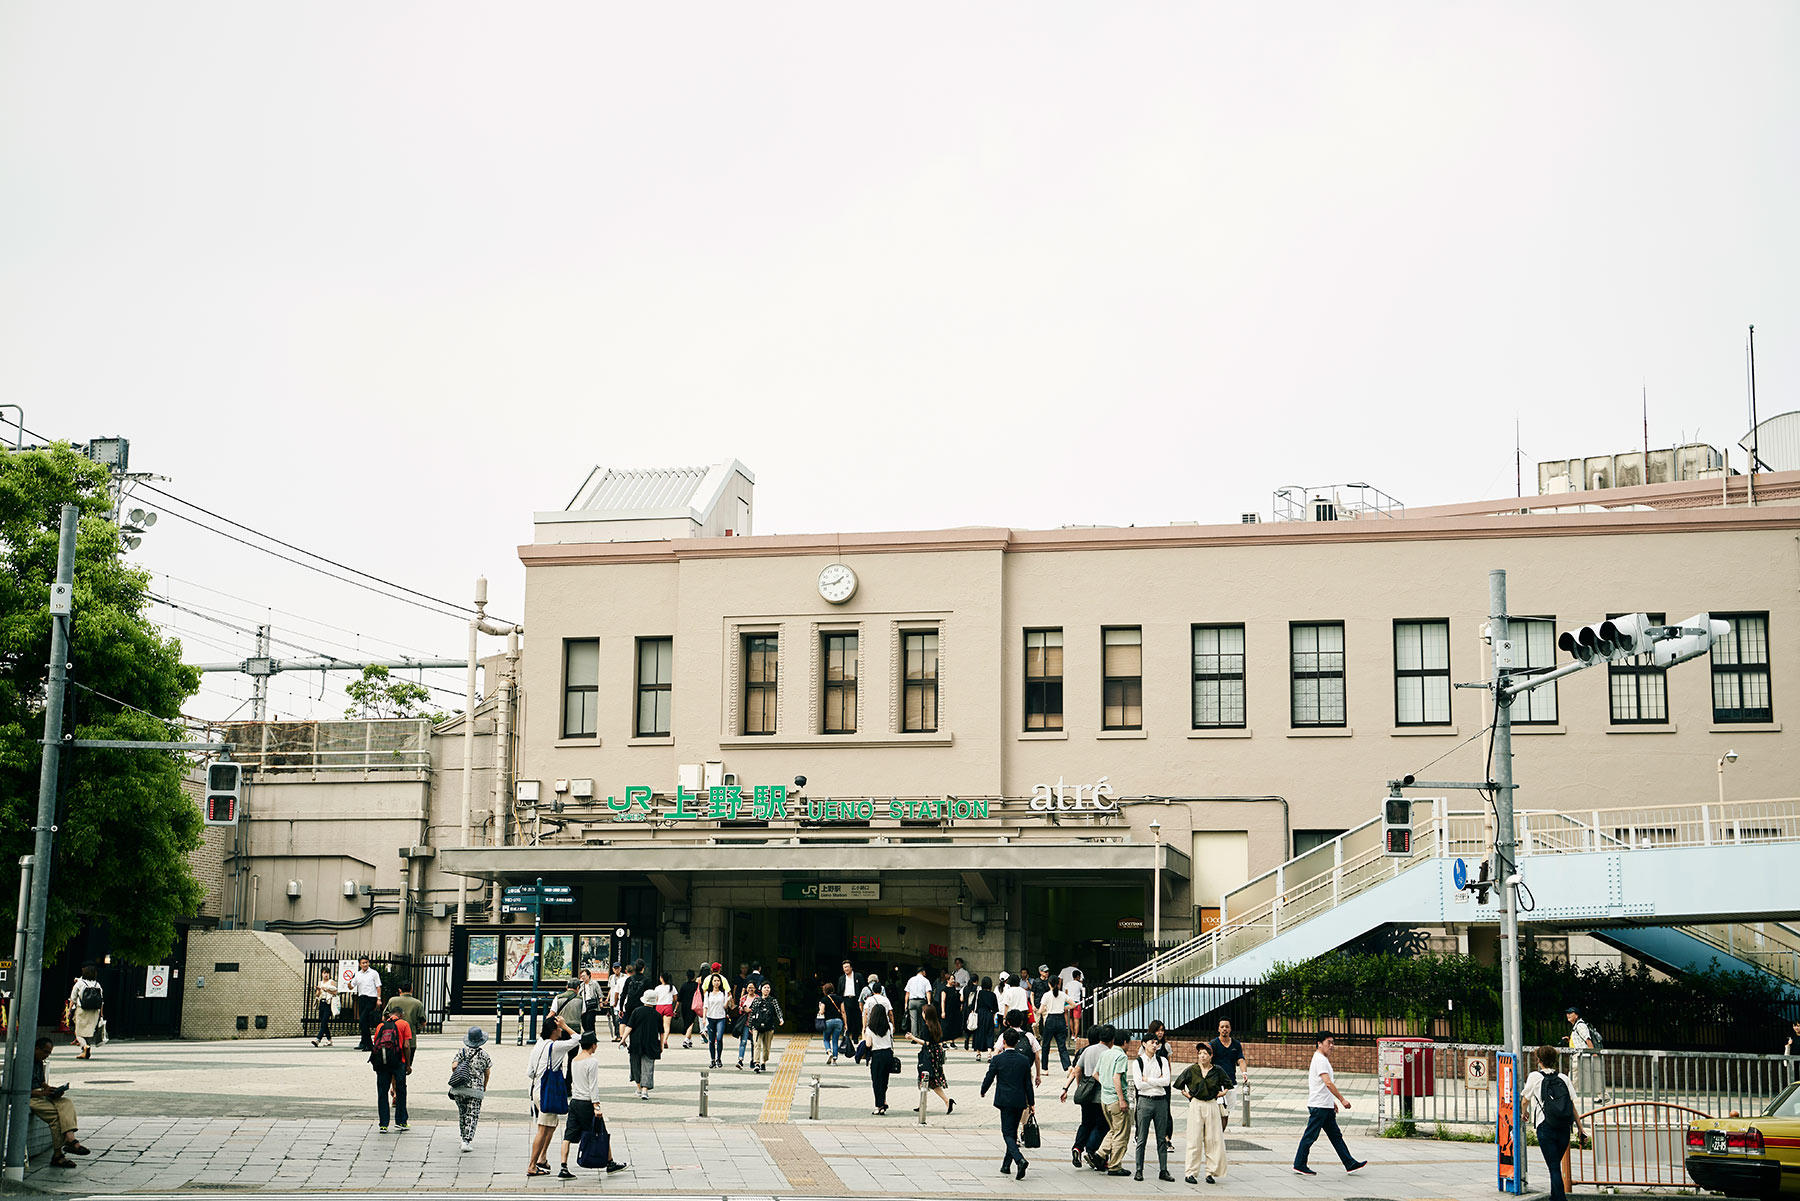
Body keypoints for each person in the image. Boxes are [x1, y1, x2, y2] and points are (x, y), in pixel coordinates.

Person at [1292, 1031, 1366, 1175]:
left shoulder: (1322, 1059)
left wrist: (1331, 1102)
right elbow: (1327, 1083)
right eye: (1328, 1043)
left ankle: (1349, 1163)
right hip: (1319, 1106)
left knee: (1335, 1136)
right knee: (1310, 1136)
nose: (1331, 1046)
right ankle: (1299, 1164)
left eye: (1333, 1042)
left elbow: (1322, 1084)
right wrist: (1341, 1099)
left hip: (1324, 1105)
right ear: (1319, 1044)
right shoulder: (1320, 1059)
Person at [1522, 1045, 1584, 1201]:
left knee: (1554, 1167)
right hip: (1564, 1127)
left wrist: (1524, 1113)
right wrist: (1580, 1128)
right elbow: (1572, 1105)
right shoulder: (1564, 1078)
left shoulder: (1535, 1077)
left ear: (1539, 1060)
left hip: (1545, 1126)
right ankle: (1555, 1197)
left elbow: (1524, 1100)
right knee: (1555, 1165)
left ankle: (1560, 1199)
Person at [525, 1015, 578, 1176]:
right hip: (547, 1093)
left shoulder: (539, 1045)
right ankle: (532, 1165)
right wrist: (566, 1024)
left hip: (536, 1090)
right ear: (554, 1030)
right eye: (560, 1028)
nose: (562, 1030)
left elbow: (530, 1072)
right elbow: (578, 1039)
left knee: (551, 1125)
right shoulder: (556, 1047)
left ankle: (542, 1158)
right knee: (542, 1129)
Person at [981, 1026, 1036, 1179]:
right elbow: (1028, 1084)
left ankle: (1019, 1160)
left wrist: (983, 1090)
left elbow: (989, 1076)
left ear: (1004, 1042)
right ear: (1017, 1042)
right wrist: (1031, 1103)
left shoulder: (998, 1059)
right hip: (1019, 1100)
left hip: (1004, 1100)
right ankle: (1006, 1165)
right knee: (1012, 1132)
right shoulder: (1024, 1060)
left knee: (1007, 1133)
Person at [1174, 1040, 1231, 1184]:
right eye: (1200, 1053)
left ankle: (1210, 1172)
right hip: (1196, 1104)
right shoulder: (1192, 1070)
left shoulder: (1217, 1070)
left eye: (1205, 1053)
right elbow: (1179, 1084)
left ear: (1211, 1056)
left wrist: (1222, 1093)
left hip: (1211, 1105)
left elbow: (1228, 1085)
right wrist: (1187, 1095)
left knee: (1213, 1139)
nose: (1202, 1056)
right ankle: (1190, 1173)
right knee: (1194, 1139)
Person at [28, 1038, 89, 1168]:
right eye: (45, 1052)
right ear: (36, 1049)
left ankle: (70, 1138)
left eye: (49, 1053)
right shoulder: (24, 1062)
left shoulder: (38, 1062)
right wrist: (42, 1093)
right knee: (56, 1118)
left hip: (41, 1094)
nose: (46, 1056)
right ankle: (58, 1155)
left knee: (66, 1102)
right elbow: (20, 1090)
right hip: (29, 1098)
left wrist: (50, 1089)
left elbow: (41, 1082)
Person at [1131, 1021, 1175, 1181]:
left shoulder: (1162, 1060)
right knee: (1141, 1138)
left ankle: (1164, 1170)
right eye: (1152, 1042)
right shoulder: (1138, 1062)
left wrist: (1149, 1079)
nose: (1155, 1045)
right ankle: (1139, 1169)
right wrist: (1157, 1080)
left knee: (1161, 1138)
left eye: (1156, 1043)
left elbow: (1167, 1081)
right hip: (1144, 1101)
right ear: (1144, 1044)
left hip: (1160, 1101)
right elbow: (1138, 1084)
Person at [1062, 1025, 1111, 1170]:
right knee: (1101, 1125)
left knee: (1086, 1123)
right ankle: (1091, 1150)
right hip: (1100, 1095)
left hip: (1086, 1094)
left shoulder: (1086, 1050)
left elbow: (1077, 1070)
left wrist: (1080, 1087)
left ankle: (1077, 1148)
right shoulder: (1108, 1052)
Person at [901, 1003, 955, 1115]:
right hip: (936, 1054)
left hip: (928, 1055)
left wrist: (912, 1038)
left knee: (928, 1080)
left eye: (923, 1012)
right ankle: (924, 1104)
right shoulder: (936, 1024)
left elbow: (927, 1043)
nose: (922, 1014)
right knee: (928, 1080)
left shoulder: (927, 1027)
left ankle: (946, 1101)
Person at [1094, 1022, 1133, 1175]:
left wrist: (1106, 1084)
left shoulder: (1105, 1053)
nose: (1129, 1045)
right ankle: (1115, 1166)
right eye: (1129, 1042)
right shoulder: (1121, 1056)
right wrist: (1122, 1099)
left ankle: (1100, 1154)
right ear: (1124, 1042)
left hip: (1105, 1099)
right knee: (1121, 1134)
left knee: (1114, 1129)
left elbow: (1095, 1073)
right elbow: (1117, 1078)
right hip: (1116, 1100)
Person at [448, 1026, 493, 1152]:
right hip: (475, 1090)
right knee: (472, 1114)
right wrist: (484, 1085)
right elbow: (487, 1072)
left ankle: (463, 1137)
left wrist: (462, 1071)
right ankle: (466, 1141)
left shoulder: (461, 1052)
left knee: (462, 1113)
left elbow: (454, 1066)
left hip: (460, 1088)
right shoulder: (484, 1055)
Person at [368, 1006, 412, 1133]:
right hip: (399, 1062)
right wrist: (408, 1064)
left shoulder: (380, 1025)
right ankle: (401, 1121)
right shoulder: (404, 1024)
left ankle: (383, 1124)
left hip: (382, 1063)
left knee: (382, 1092)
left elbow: (376, 1043)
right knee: (401, 1090)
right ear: (401, 1015)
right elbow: (406, 1045)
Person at [621, 991, 664, 1099]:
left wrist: (623, 1039)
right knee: (648, 1066)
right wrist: (661, 1045)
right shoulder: (657, 1015)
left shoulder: (637, 1011)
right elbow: (661, 1032)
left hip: (636, 1042)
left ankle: (639, 1088)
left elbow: (629, 1027)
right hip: (651, 1043)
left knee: (635, 1065)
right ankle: (645, 1091)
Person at [1207, 1018, 1246, 1131]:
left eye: (1227, 1027)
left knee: (1226, 1112)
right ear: (1218, 1029)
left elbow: (1241, 1060)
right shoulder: (1213, 1044)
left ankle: (1220, 1135)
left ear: (1230, 1029)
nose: (1225, 1029)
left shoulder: (1236, 1044)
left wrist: (1244, 1073)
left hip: (1230, 1082)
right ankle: (1215, 1135)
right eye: (1222, 1027)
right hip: (1216, 1083)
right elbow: (1206, 1060)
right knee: (1218, 1110)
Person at [862, 993, 896, 1115]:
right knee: (884, 1080)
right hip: (888, 1054)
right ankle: (883, 1101)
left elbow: (868, 1044)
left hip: (877, 1056)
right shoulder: (889, 1027)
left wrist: (864, 1035)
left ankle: (878, 1106)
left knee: (876, 1081)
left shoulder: (870, 1028)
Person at [1565, 1005, 1605, 1102]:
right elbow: (1580, 1041)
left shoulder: (1580, 1025)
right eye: (1567, 1013)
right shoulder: (1576, 1026)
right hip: (1582, 1055)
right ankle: (1604, 1096)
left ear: (1577, 1015)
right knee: (1591, 1076)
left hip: (1581, 1055)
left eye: (1571, 1013)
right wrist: (1569, 1040)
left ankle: (1567, 1097)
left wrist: (1594, 1053)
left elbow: (1588, 1040)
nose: (1568, 1015)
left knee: (1573, 1076)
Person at [382, 980, 427, 1065]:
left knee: (392, 1066)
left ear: (399, 990)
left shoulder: (392, 1000)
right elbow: (423, 1022)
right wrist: (418, 1027)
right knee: (406, 1066)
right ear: (411, 989)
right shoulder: (417, 1003)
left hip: (392, 1039)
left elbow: (384, 1017)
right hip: (410, 1040)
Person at [68, 965, 103, 1059]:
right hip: (95, 1011)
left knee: (78, 1033)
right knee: (88, 1032)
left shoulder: (79, 983)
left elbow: (73, 998)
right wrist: (101, 1014)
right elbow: (101, 1001)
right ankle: (85, 1052)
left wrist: (69, 1010)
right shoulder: (97, 984)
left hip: (82, 1010)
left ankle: (85, 1047)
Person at [749, 982, 783, 1071]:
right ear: (761, 989)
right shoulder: (756, 1000)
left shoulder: (773, 1000)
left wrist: (781, 1019)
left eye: (768, 988)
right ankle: (756, 1063)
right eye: (765, 987)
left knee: (766, 1047)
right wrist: (750, 1026)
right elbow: (752, 1013)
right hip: (757, 1026)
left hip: (769, 1027)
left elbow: (778, 1010)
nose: (767, 989)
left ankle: (763, 1061)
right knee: (757, 1045)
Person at [702, 966, 732, 1067]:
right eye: (714, 981)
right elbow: (705, 1006)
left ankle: (719, 1058)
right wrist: (704, 1019)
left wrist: (727, 1000)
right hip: (710, 1017)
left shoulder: (723, 993)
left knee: (719, 1038)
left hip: (721, 1018)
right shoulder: (708, 994)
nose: (716, 982)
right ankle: (712, 1059)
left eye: (718, 981)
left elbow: (725, 1006)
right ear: (712, 982)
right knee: (711, 1040)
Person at [1039, 978, 1071, 1071]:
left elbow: (1041, 1010)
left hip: (1050, 1020)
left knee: (1045, 1045)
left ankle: (1045, 1069)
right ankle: (1068, 1066)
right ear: (1058, 984)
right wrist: (1065, 1008)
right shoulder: (1063, 994)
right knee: (1062, 1045)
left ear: (1049, 984)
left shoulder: (1046, 995)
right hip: (1061, 1019)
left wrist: (1045, 1009)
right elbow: (1073, 1004)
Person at [351, 957, 382, 1050]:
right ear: (360, 964)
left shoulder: (374, 973)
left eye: (366, 962)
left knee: (362, 1020)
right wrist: (348, 983)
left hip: (371, 998)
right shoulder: (357, 974)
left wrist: (378, 999)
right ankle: (364, 1042)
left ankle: (369, 1044)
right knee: (364, 1021)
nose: (365, 964)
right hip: (362, 999)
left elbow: (378, 987)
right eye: (363, 963)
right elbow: (351, 986)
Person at [836, 960, 861, 1055]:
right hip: (845, 1000)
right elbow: (839, 991)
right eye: (844, 968)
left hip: (856, 999)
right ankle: (846, 1036)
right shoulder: (841, 978)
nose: (845, 969)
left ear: (851, 967)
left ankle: (855, 1037)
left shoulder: (858, 976)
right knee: (846, 1019)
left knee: (856, 1018)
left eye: (847, 967)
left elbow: (862, 987)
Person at [820, 982, 847, 1066]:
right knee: (835, 1040)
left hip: (828, 1021)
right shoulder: (840, 999)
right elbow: (843, 1011)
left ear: (825, 991)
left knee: (826, 1039)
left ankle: (828, 1051)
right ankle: (834, 1060)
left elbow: (822, 1011)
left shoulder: (824, 1000)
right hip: (838, 1021)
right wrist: (845, 1023)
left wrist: (819, 1008)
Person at [973, 976, 1000, 1060]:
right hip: (989, 1014)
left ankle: (978, 1053)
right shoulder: (993, 995)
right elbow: (996, 1008)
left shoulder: (979, 993)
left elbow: (975, 1005)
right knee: (989, 1033)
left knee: (979, 1033)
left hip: (980, 1015)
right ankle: (989, 1054)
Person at [734, 982, 760, 1069]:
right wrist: (743, 1009)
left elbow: (759, 1011)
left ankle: (753, 1060)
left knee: (754, 1042)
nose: (750, 989)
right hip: (745, 1023)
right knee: (743, 1041)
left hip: (754, 1023)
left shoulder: (758, 998)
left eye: (752, 988)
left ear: (755, 989)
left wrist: (750, 1010)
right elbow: (739, 1010)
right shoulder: (743, 998)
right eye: (749, 987)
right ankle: (740, 1060)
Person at [311, 969, 339, 1047]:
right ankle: (329, 1040)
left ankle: (318, 1039)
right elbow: (317, 995)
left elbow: (335, 992)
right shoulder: (320, 983)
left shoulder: (331, 982)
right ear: (322, 974)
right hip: (321, 1003)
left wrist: (326, 989)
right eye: (324, 973)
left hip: (329, 1003)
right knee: (323, 1022)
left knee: (324, 1021)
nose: (326, 975)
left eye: (327, 973)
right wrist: (318, 990)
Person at [905, 965, 932, 1037]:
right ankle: (921, 1035)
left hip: (912, 1001)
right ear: (923, 972)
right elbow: (928, 992)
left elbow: (907, 993)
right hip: (921, 1002)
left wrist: (905, 1004)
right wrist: (929, 1003)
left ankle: (914, 1036)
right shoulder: (926, 980)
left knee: (913, 1020)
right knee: (922, 1019)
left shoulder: (911, 980)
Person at [651, 971, 676, 1049]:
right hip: (668, 1006)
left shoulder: (657, 988)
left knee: (657, 1025)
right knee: (667, 1025)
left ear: (661, 978)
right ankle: (665, 1040)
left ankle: (658, 1040)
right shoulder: (672, 987)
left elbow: (655, 998)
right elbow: (675, 998)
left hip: (659, 1006)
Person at [677, 969, 700, 1049]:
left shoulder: (684, 985)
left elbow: (679, 999)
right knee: (691, 1022)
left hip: (684, 1006)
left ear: (687, 976)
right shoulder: (696, 985)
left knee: (687, 1021)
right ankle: (686, 1040)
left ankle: (689, 1040)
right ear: (694, 977)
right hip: (693, 1006)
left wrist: (676, 1008)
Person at [578, 968, 602, 1035]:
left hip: (592, 1005)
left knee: (590, 1021)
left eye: (584, 976)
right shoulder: (582, 985)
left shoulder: (594, 983)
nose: (582, 977)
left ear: (589, 976)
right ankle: (588, 1035)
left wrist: (600, 1002)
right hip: (584, 1006)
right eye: (581, 976)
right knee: (584, 1022)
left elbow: (599, 993)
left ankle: (592, 1036)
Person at [1066, 969, 1085, 1041]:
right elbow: (1083, 993)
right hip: (1077, 1003)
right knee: (1076, 1020)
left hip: (1069, 1002)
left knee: (1070, 1018)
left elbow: (1066, 993)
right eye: (1079, 976)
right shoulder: (1080, 984)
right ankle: (1076, 1036)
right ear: (1078, 977)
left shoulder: (1068, 984)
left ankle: (1072, 1034)